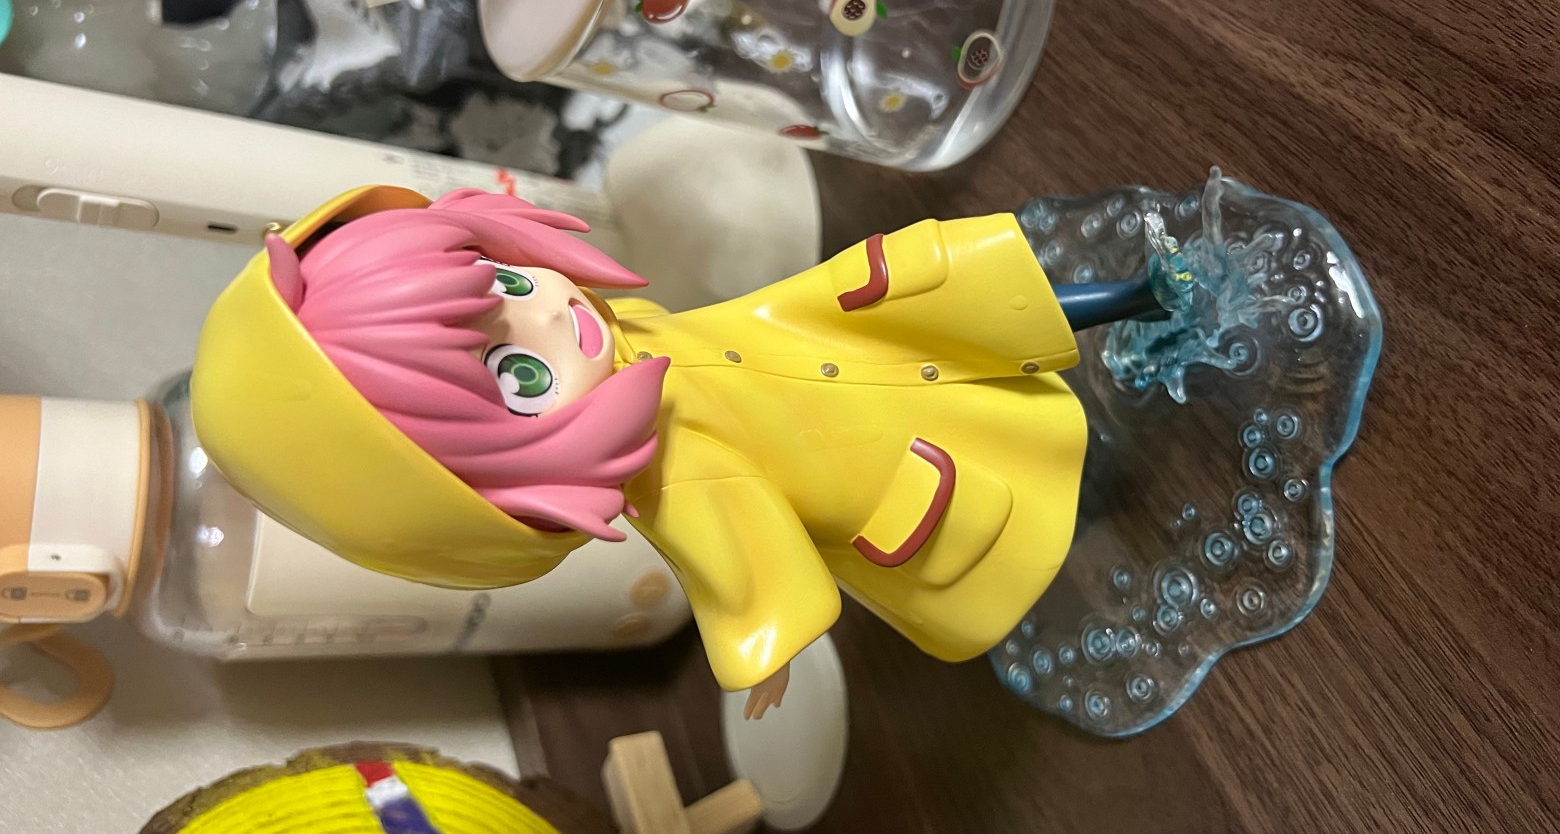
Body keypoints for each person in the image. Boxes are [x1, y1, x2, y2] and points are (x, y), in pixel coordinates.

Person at [192, 187, 1168, 714]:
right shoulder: (671, 468)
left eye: (507, 283)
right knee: (1038, 492)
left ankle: (1141, 296)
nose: (555, 317)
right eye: (519, 377)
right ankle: (1120, 474)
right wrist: (760, 646)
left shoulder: (632, 338)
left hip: (828, 335)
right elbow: (730, 551)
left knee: (978, 305)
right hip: (884, 467)